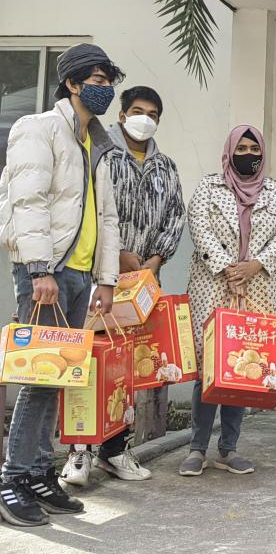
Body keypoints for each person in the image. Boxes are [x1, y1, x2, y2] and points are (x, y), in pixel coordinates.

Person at [0, 43, 123, 527]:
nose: (104, 89)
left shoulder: (99, 143)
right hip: (47, 272)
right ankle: (12, 478)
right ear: (71, 83)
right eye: (96, 80)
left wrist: (106, 280)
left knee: (58, 378)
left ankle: (37, 473)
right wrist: (39, 269)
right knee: (39, 378)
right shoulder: (39, 128)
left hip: (79, 274)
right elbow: (27, 200)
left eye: (108, 81)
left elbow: (107, 218)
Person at [60, 85, 186, 487]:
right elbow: (88, 212)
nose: (144, 119)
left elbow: (175, 217)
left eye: (152, 114)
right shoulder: (100, 154)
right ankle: (79, 452)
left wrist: (155, 259)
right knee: (89, 362)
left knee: (128, 368)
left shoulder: (166, 167)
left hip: (142, 285)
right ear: (121, 114)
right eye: (137, 111)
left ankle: (115, 450)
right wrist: (117, 255)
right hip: (100, 279)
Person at [178, 125, 276, 478]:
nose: (248, 155)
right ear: (229, 152)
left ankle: (228, 449)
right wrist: (230, 268)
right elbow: (199, 229)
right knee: (209, 367)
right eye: (241, 149)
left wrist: (254, 265)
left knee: (245, 367)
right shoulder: (208, 188)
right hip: (214, 286)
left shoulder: (275, 192)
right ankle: (197, 448)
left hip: (259, 288)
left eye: (253, 149)